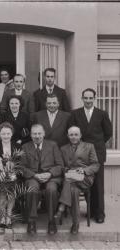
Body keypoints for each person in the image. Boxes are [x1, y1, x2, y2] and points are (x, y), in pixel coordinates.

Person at [69, 88, 112, 223]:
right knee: (83, 181)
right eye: (85, 98)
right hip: (81, 153)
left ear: (94, 99)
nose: (88, 100)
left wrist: (97, 145)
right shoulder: (75, 113)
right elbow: (72, 132)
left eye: (90, 98)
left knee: (98, 184)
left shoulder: (102, 114)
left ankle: (99, 213)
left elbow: (108, 132)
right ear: (82, 98)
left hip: (97, 153)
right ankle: (89, 211)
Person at [54, 126, 99, 234]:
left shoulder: (89, 146)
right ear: (68, 136)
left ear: (80, 135)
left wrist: (83, 170)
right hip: (71, 178)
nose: (73, 137)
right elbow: (61, 166)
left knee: (69, 181)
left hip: (85, 178)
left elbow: (96, 164)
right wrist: (67, 170)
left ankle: (61, 207)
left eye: (76, 134)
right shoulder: (63, 148)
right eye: (71, 135)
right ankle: (75, 224)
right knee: (73, 190)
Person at [21, 124, 63, 234]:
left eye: (39, 133)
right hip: (33, 177)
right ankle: (31, 222)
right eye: (34, 133)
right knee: (32, 189)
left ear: (44, 134)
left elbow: (60, 165)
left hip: (50, 177)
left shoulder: (53, 145)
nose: (37, 136)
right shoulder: (25, 147)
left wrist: (49, 174)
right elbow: (22, 167)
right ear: (30, 135)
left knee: (52, 190)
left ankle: (51, 221)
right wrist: (34, 175)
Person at [0, 122, 21, 229]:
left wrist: (13, 172)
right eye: (3, 134)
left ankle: (9, 216)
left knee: (12, 185)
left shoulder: (17, 146)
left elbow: (20, 163)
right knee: (2, 188)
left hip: (13, 175)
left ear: (12, 134)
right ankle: (2, 216)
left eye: (8, 133)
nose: (6, 136)